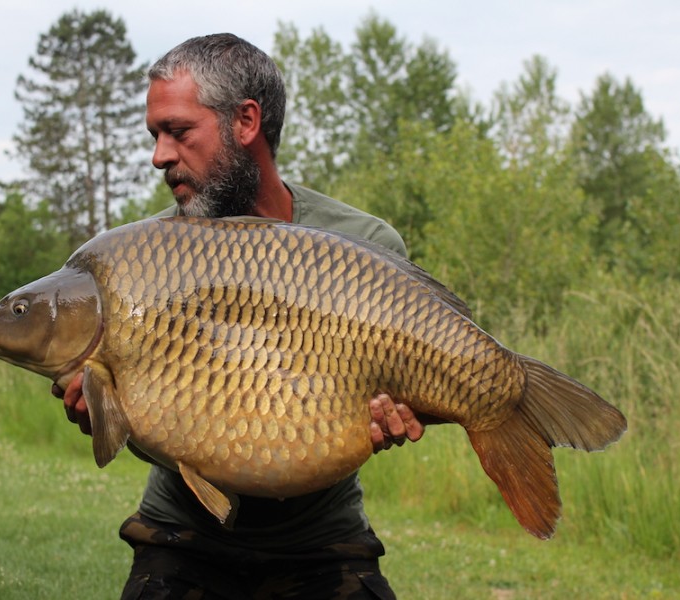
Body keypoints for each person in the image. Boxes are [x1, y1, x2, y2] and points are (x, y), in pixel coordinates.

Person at [53, 33, 427, 599]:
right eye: (155, 136)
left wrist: (400, 411)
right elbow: (126, 403)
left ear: (246, 122)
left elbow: (405, 395)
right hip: (182, 531)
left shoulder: (364, 244)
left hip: (322, 537)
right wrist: (102, 412)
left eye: (177, 132)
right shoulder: (139, 258)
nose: (159, 156)